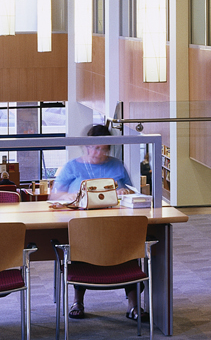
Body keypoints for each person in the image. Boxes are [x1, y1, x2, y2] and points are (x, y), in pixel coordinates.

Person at [50, 125, 145, 322]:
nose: (98, 153)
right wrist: (72, 195)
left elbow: (131, 191)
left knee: (130, 248)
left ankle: (133, 305)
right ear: (86, 147)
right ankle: (78, 301)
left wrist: (123, 192)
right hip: (83, 229)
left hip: (114, 226)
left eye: (104, 149)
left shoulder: (117, 166)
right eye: (94, 148)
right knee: (80, 250)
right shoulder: (72, 167)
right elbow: (54, 196)